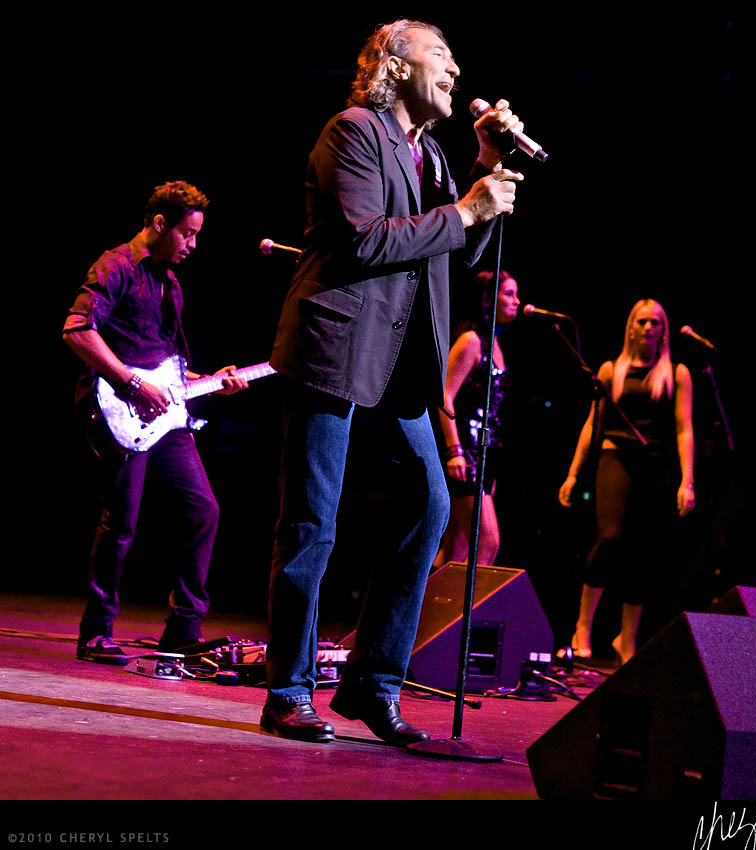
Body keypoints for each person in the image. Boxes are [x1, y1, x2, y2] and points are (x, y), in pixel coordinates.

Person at [261, 19, 526, 745]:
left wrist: (484, 171)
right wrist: (467, 208)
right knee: (313, 522)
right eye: (441, 54)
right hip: (337, 347)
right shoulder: (352, 131)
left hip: (404, 365)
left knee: (430, 508)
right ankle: (287, 690)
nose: (456, 68)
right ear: (396, 65)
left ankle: (373, 686)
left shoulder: (431, 153)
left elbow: (457, 252)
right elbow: (364, 237)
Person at [63, 180, 249, 665]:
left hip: (164, 415)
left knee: (203, 510)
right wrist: (130, 384)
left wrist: (212, 381)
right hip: (117, 409)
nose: (193, 245)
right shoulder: (116, 265)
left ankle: (183, 630)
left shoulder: (170, 283)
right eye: (188, 234)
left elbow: (166, 369)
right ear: (160, 224)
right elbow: (77, 331)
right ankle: (96, 631)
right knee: (122, 521)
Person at [558, 298, 695, 665]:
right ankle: (582, 627)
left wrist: (687, 481)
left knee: (643, 552)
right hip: (615, 456)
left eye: (655, 322)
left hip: (656, 465)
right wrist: (574, 473)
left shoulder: (676, 373)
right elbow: (592, 424)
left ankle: (626, 639)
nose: (648, 328)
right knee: (610, 539)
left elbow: (684, 429)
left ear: (663, 330)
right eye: (642, 321)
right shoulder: (611, 370)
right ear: (630, 327)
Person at [434, 270, 520, 567]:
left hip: (484, 455)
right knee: (487, 542)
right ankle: (467, 603)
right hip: (465, 454)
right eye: (509, 294)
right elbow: (444, 397)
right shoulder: (471, 341)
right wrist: (454, 450)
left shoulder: (494, 343)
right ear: (488, 299)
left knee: (454, 553)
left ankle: (429, 598)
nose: (517, 302)